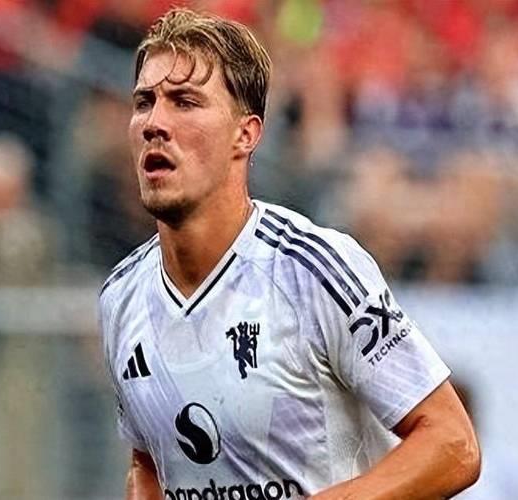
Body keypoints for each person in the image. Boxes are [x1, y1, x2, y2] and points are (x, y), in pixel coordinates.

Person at [99, 8, 480, 500]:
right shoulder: (122, 297)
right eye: (144, 102)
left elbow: (452, 443)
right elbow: (147, 463)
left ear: (246, 134)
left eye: (185, 102)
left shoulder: (313, 270)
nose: (155, 123)